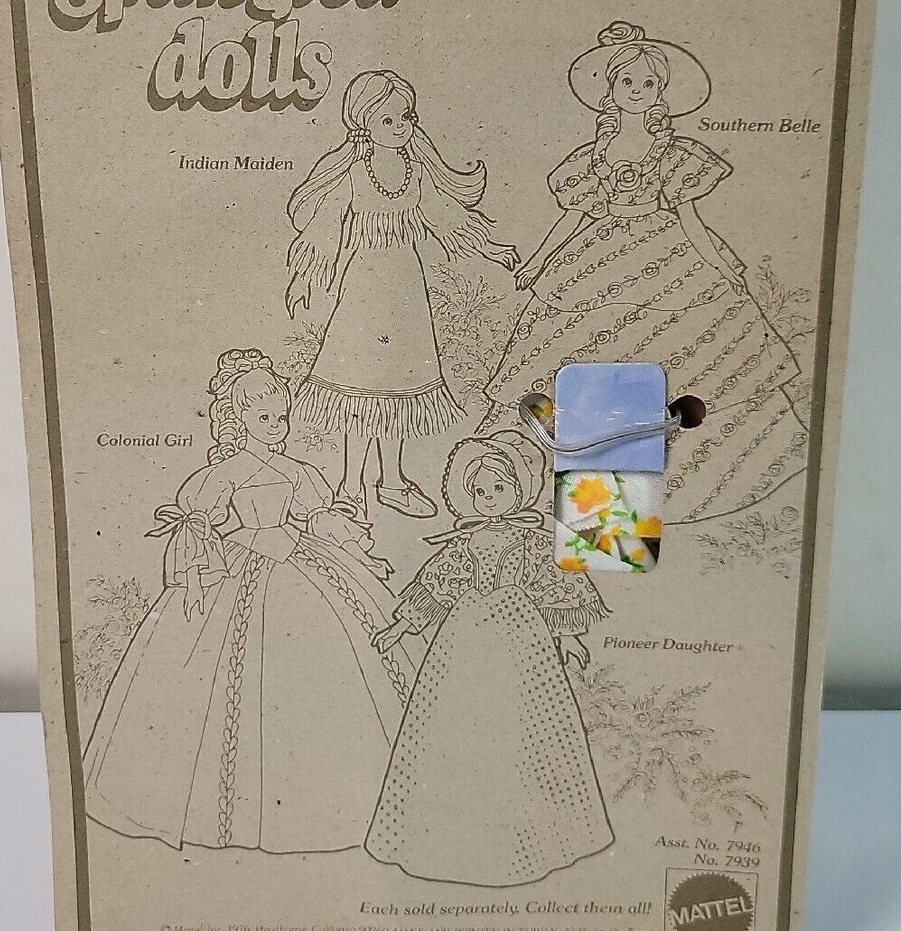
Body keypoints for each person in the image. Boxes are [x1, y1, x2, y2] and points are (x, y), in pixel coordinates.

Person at [82, 349, 413, 854]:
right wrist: (202, 557)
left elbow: (319, 517)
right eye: (264, 418)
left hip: (300, 559)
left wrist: (360, 552)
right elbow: (201, 524)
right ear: (239, 419)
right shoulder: (225, 473)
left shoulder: (298, 471)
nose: (276, 427)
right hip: (240, 564)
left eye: (281, 417)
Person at [482, 22, 809, 522]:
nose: (637, 91)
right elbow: (574, 217)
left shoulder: (674, 154)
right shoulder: (593, 155)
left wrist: (725, 265)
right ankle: (587, 500)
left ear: (661, 91)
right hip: (597, 255)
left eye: (648, 83)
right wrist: (539, 262)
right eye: (627, 82)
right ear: (611, 89)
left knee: (689, 346)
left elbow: (691, 220)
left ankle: (686, 485)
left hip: (667, 253)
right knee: (579, 343)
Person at [365, 432, 613, 886]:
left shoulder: (534, 543)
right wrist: (401, 626)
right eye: (480, 491)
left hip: (522, 640)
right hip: (464, 640)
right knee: (455, 724)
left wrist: (569, 637)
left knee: (526, 727)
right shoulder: (464, 544)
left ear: (519, 488)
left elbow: (556, 587)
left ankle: (533, 839)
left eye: (499, 488)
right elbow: (439, 585)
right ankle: (444, 839)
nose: (490, 497)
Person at [286, 70, 518, 519]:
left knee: (399, 385)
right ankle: (350, 487)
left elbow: (447, 217)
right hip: (363, 289)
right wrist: (304, 276)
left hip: (406, 289)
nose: (400, 127)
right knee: (360, 387)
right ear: (364, 123)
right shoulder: (353, 173)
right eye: (388, 119)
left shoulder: (416, 171)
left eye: (406, 117)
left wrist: (491, 248)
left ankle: (391, 481)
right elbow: (324, 227)